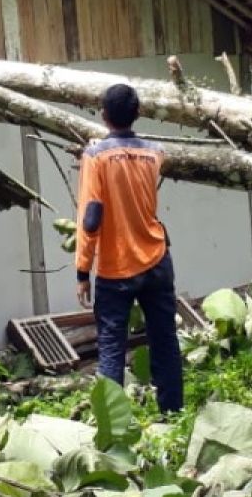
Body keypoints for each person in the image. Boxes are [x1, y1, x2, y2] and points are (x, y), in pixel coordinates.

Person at [74, 83, 183, 413]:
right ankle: (172, 413)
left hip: (116, 268)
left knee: (110, 347)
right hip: (156, 260)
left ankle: (112, 429)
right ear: (137, 114)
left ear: (104, 115)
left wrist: (82, 270)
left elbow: (91, 217)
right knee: (164, 340)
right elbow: (144, 151)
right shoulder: (155, 153)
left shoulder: (95, 156)